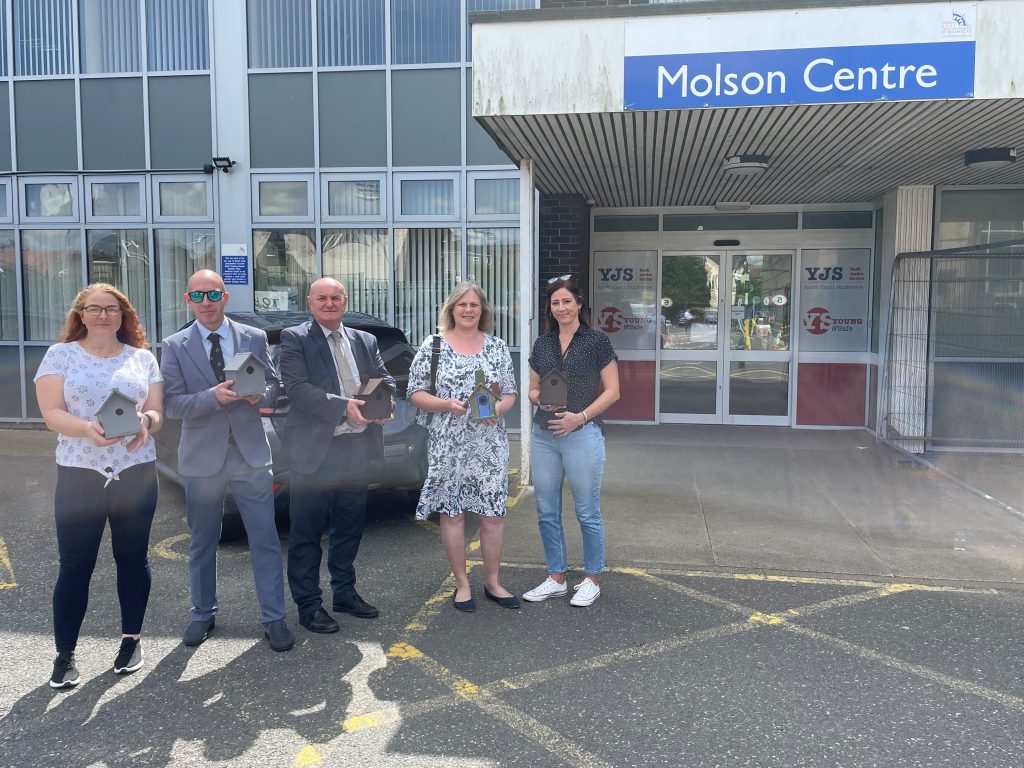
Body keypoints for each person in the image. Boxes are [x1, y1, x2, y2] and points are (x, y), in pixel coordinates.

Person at [34, 284, 163, 688]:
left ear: (123, 315)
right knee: (75, 564)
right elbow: (52, 413)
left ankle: (131, 640)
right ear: (81, 315)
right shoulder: (61, 356)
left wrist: (147, 423)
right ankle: (65, 654)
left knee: (132, 558)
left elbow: (158, 409)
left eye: (112, 309)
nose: (104, 316)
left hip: (137, 471)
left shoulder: (142, 358)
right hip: (80, 473)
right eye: (95, 309)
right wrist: (87, 430)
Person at [160, 270, 293, 652]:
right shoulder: (174, 345)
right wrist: (212, 398)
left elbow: (273, 385)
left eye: (213, 294)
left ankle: (274, 618)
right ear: (188, 300)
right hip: (203, 460)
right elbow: (170, 404)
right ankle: (202, 613)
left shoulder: (251, 337)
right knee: (202, 542)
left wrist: (260, 397)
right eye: (198, 295)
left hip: (250, 455)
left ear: (224, 297)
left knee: (265, 540)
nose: (206, 302)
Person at [279, 277, 395, 634]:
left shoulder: (365, 340)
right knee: (307, 532)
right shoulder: (295, 338)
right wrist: (346, 407)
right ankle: (309, 604)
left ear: (344, 300)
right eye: (322, 299)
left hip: (355, 448)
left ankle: (344, 592)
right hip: (315, 451)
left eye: (335, 298)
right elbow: (297, 389)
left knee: (349, 527)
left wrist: (385, 401)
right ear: (310, 303)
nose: (329, 304)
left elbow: (385, 379)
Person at [407, 282, 519, 612]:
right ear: (451, 309)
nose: (468, 310)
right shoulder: (434, 346)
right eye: (462, 305)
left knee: (492, 516)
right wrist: (443, 404)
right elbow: (414, 392)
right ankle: (462, 583)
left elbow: (510, 393)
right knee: (453, 514)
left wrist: (497, 410)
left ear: (483, 310)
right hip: (448, 444)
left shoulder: (497, 346)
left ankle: (493, 582)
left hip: (489, 445)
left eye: (474, 304)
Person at [523, 275, 619, 607]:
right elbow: (533, 389)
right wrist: (539, 401)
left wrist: (580, 417)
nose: (561, 307)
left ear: (579, 304)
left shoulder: (596, 342)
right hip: (544, 435)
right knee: (546, 510)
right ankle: (557, 577)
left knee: (586, 511)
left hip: (581, 435)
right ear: (550, 309)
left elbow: (613, 392)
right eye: (555, 303)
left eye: (567, 301)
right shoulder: (543, 344)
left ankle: (591, 578)